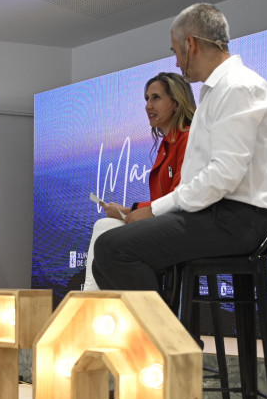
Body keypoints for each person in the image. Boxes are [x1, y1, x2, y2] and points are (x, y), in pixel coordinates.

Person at [93, 3, 267, 291]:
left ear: (190, 44)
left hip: (234, 220)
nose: (176, 63)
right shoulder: (219, 90)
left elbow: (222, 175)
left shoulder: (237, 87)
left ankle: (170, 337)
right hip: (220, 215)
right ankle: (170, 334)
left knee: (113, 248)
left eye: (175, 51)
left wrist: (156, 210)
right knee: (106, 253)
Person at [83, 72, 195, 290]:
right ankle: (93, 301)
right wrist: (129, 211)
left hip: (183, 228)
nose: (148, 106)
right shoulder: (165, 145)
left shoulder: (188, 138)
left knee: (108, 237)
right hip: (166, 223)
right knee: (104, 224)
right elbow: (162, 203)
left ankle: (96, 303)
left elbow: (177, 198)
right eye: (146, 99)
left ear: (176, 102)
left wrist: (129, 210)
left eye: (156, 98)